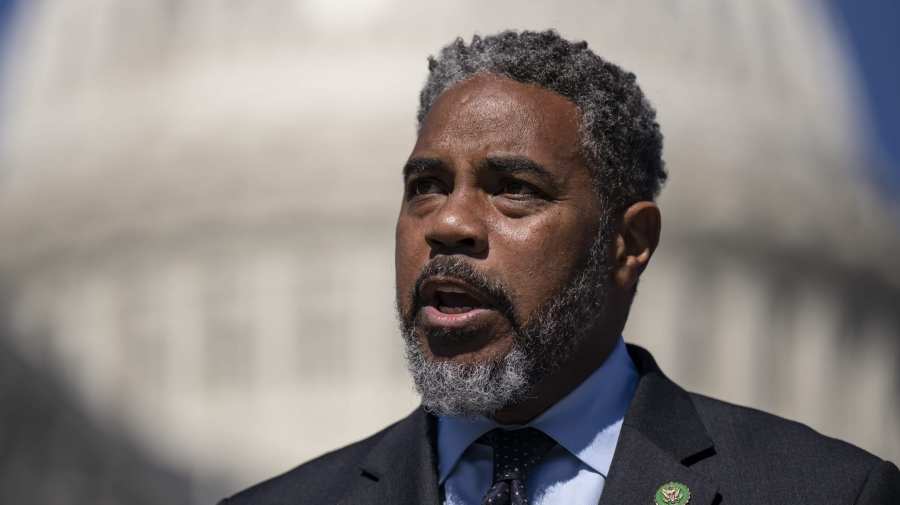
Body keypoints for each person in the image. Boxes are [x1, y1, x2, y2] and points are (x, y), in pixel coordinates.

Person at [219, 30, 899, 505]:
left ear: (628, 244)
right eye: (426, 185)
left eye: (514, 187)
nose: (449, 224)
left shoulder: (823, 492)